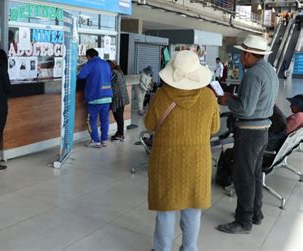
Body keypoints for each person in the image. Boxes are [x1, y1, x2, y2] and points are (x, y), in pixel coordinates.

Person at [145, 50, 220, 251]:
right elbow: (214, 128)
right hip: (198, 161)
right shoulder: (208, 96)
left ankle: (162, 248)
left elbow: (150, 124)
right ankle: (189, 248)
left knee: (166, 210)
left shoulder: (161, 96)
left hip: (166, 161)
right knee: (193, 210)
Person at [217, 35, 278, 234]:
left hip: (250, 134)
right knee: (255, 175)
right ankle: (256, 214)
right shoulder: (269, 70)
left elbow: (245, 110)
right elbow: (256, 101)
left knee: (243, 176)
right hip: (262, 131)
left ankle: (243, 221)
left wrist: (227, 101)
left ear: (249, 54)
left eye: (242, 53)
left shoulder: (252, 74)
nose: (241, 57)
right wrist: (234, 97)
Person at [77, 48, 112, 148]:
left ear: (88, 56)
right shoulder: (106, 64)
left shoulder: (90, 63)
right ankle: (104, 140)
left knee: (91, 120)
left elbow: (81, 76)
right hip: (107, 96)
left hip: (95, 97)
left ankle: (96, 141)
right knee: (104, 120)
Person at [107, 60, 130, 142]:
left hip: (118, 98)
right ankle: (119, 133)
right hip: (121, 97)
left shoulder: (113, 73)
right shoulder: (118, 71)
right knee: (119, 116)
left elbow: (108, 83)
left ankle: (120, 134)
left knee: (118, 117)